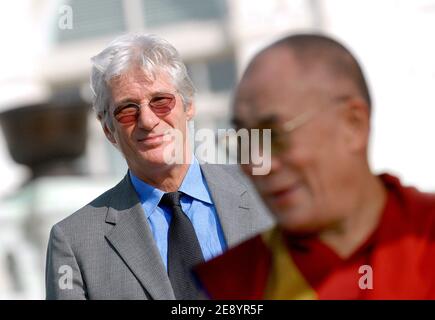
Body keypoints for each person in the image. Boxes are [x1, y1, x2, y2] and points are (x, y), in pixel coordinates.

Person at [194, 33, 435, 299]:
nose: (255, 163)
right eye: (242, 140)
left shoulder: (425, 236)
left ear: (352, 125)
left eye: (274, 135)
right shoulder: (232, 285)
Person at [45, 33, 273, 300]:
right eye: (127, 109)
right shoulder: (75, 242)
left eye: (161, 101)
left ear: (189, 105)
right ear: (108, 128)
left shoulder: (266, 190)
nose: (148, 120)